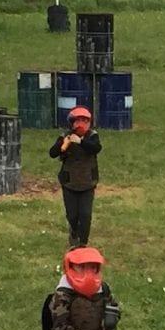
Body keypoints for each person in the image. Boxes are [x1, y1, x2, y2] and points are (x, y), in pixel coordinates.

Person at [50, 106, 101, 248]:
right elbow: (52, 153)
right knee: (72, 214)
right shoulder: (65, 136)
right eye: (78, 121)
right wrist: (63, 144)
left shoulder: (92, 136)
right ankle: (73, 233)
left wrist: (80, 141)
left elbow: (96, 148)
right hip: (69, 182)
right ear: (72, 123)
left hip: (87, 182)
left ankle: (83, 242)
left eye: (85, 121)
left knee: (85, 214)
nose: (81, 125)